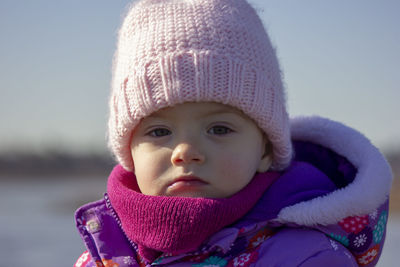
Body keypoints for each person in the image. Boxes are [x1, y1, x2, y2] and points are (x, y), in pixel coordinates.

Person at [74, 0, 392, 266]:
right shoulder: (105, 252)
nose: (184, 151)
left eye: (219, 128)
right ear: (130, 151)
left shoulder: (308, 257)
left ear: (265, 150)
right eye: (159, 131)